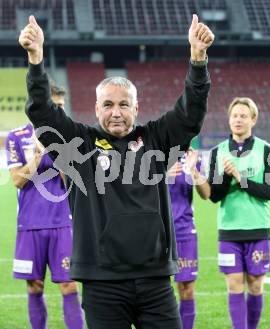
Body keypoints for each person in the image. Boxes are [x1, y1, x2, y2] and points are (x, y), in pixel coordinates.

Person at [19, 14, 213, 329]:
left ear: (136, 109)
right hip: (102, 283)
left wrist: (198, 60)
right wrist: (36, 59)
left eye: (124, 105)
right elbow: (42, 114)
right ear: (96, 109)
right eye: (108, 105)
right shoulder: (79, 145)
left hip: (155, 281)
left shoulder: (156, 139)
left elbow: (191, 113)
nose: (116, 112)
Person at [6, 84, 84, 329]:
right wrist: (38, 155)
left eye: (61, 106)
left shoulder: (72, 137)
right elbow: (18, 181)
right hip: (29, 223)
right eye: (54, 106)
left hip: (62, 222)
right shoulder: (16, 137)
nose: (59, 111)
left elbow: (74, 182)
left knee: (69, 284)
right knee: (34, 285)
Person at [207, 97, 270, 329]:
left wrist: (241, 178)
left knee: (256, 285)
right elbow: (214, 196)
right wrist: (227, 176)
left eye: (243, 116)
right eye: (234, 116)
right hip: (229, 231)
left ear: (253, 119)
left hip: (258, 229)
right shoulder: (217, 153)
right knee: (234, 285)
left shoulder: (267, 151)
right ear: (229, 120)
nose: (238, 120)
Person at [166, 148, 210, 329]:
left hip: (184, 231)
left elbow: (206, 193)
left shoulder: (191, 157)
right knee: (152, 292)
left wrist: (193, 169)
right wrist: (163, 175)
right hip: (155, 233)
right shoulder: (151, 153)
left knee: (186, 289)